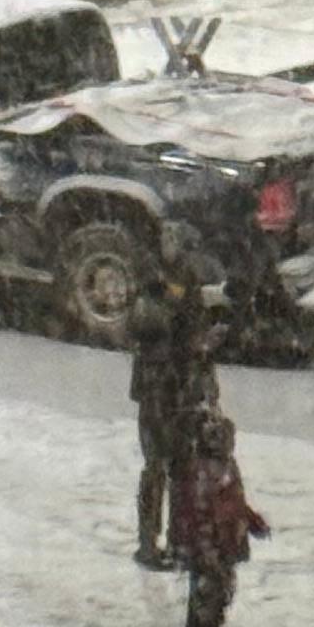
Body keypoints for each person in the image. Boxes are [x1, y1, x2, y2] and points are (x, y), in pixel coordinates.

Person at [127, 228, 220, 571]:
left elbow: (196, 337)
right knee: (157, 467)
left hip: (179, 388)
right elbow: (145, 326)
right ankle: (149, 543)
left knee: (180, 468)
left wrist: (204, 375)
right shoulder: (152, 282)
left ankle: (176, 539)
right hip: (158, 388)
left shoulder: (186, 282)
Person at [170, 399, 268, 627]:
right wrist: (206, 550)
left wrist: (251, 521)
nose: (226, 445)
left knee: (222, 591)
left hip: (226, 542)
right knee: (204, 597)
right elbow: (198, 515)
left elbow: (235, 502)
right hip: (207, 547)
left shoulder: (227, 466)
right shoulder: (201, 472)